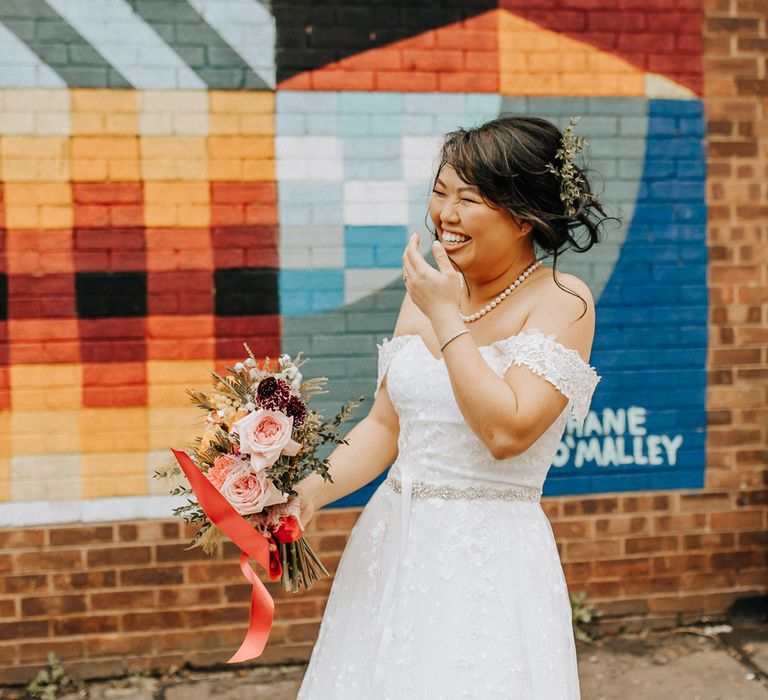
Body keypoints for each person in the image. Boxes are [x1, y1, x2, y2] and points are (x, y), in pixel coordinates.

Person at [294, 115, 608, 699]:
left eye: (469, 199)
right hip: (392, 542)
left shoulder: (563, 302)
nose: (446, 214)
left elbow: (506, 431)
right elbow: (386, 427)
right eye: (440, 194)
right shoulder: (432, 292)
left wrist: (444, 316)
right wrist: (308, 493)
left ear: (522, 216)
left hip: (488, 560)